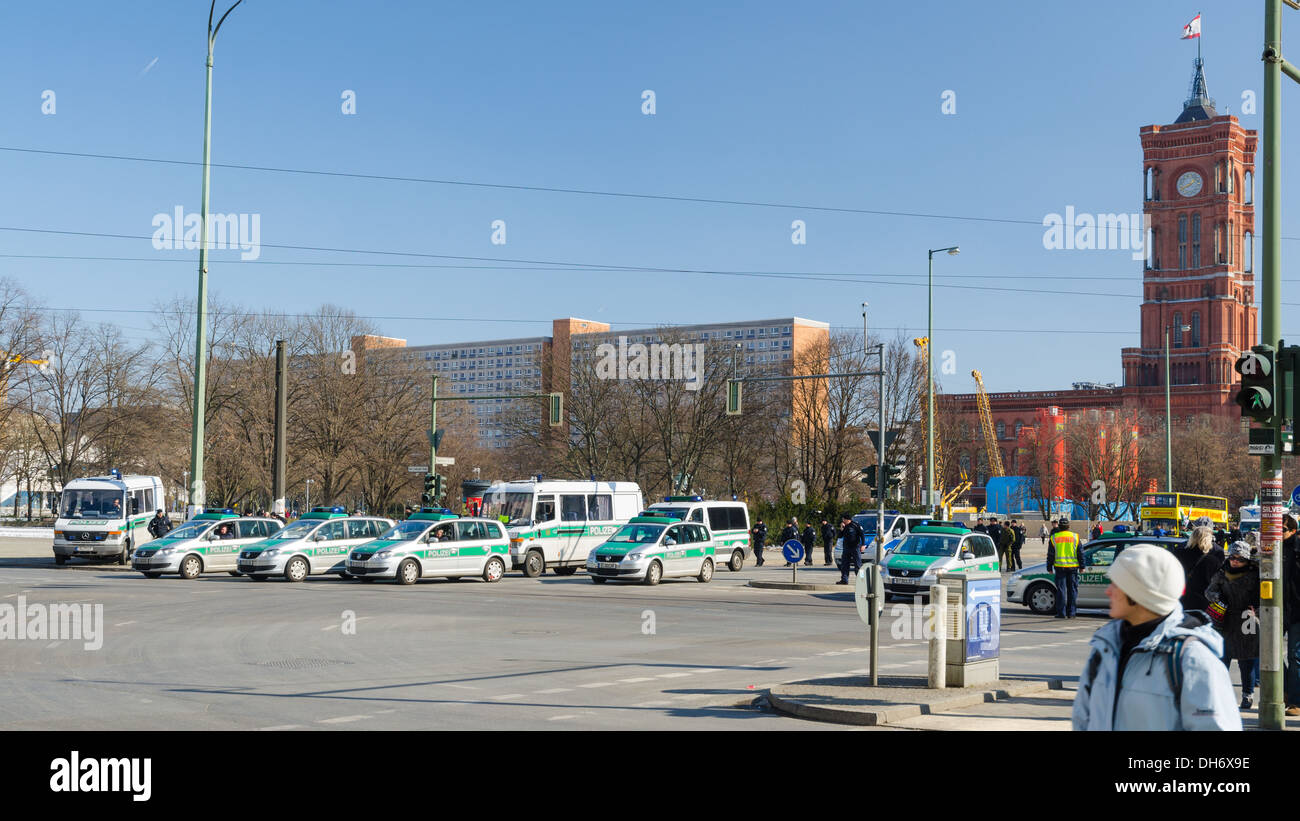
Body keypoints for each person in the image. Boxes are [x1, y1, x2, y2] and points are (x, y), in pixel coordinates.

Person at [1072, 545, 1242, 730]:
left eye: (1117, 584)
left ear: (1139, 594)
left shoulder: (1193, 660)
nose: (1108, 591)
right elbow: (1082, 720)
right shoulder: (1105, 647)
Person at [1205, 541, 1261, 710]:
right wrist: (1216, 597)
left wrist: (1257, 608)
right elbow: (1209, 591)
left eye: (1240, 559)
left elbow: (1264, 595)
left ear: (1247, 560)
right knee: (1223, 659)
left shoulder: (1255, 574)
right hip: (1225, 619)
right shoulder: (1222, 573)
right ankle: (1219, 694)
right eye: (1233, 558)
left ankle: (1247, 696)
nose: (1235, 561)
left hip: (1247, 618)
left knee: (1247, 660)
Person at [1180, 526, 1224, 614]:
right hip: (1202, 606)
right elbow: (1219, 586)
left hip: (1180, 603)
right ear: (1208, 541)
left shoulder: (1179, 554)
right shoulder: (1213, 561)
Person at [1048, 518, 1082, 619]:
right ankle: (1071, 613)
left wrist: (1049, 567)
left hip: (1060, 567)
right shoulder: (1075, 537)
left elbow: (1050, 554)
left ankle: (1061, 613)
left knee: (1061, 591)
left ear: (1059, 526)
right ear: (1069, 526)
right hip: (1072, 568)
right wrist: (1082, 566)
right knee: (1072, 590)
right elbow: (1080, 552)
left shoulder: (1054, 537)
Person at [1284, 514, 1300, 716]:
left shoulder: (1297, 551)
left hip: (1297, 610)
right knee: (1264, 651)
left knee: (1295, 656)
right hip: (1276, 607)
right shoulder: (1271, 549)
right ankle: (1286, 690)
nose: (1278, 533)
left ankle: (1295, 701)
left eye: (1283, 530)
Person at [837, 513, 863, 585]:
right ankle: (844, 580)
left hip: (855, 547)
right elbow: (839, 536)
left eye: (843, 519)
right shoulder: (844, 526)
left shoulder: (855, 525)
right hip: (846, 548)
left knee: (858, 565)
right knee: (844, 564)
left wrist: (863, 545)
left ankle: (862, 580)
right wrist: (841, 529)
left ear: (847, 519)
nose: (842, 520)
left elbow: (862, 534)